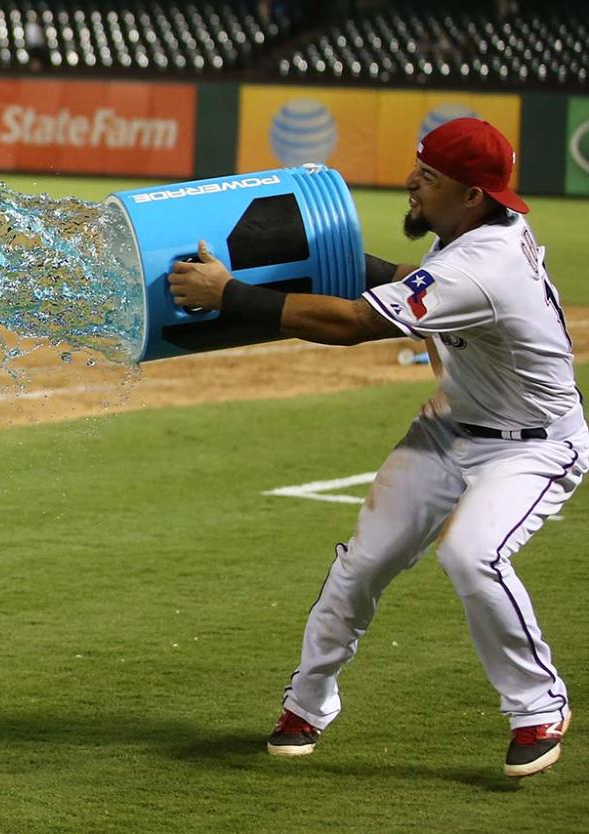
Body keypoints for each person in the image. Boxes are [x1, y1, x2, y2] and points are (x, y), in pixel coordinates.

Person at [168, 117, 586, 779]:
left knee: (472, 553)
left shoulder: (485, 264)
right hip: (452, 426)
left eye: (429, 176)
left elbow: (356, 323)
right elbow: (417, 282)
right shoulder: (478, 234)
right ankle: (305, 706)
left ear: (471, 194)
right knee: (361, 565)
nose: (411, 183)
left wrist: (231, 295)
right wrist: (336, 264)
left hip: (530, 447)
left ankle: (539, 706)